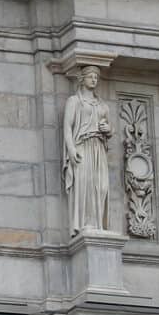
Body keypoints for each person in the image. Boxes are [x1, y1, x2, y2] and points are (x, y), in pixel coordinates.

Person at [64, 66, 115, 232]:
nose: (94, 80)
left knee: (101, 187)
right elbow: (67, 126)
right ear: (82, 79)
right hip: (82, 146)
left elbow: (110, 128)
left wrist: (108, 129)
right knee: (85, 186)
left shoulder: (102, 105)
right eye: (90, 76)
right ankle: (87, 224)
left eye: (96, 77)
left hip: (98, 147)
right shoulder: (74, 101)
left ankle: (98, 223)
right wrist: (71, 149)